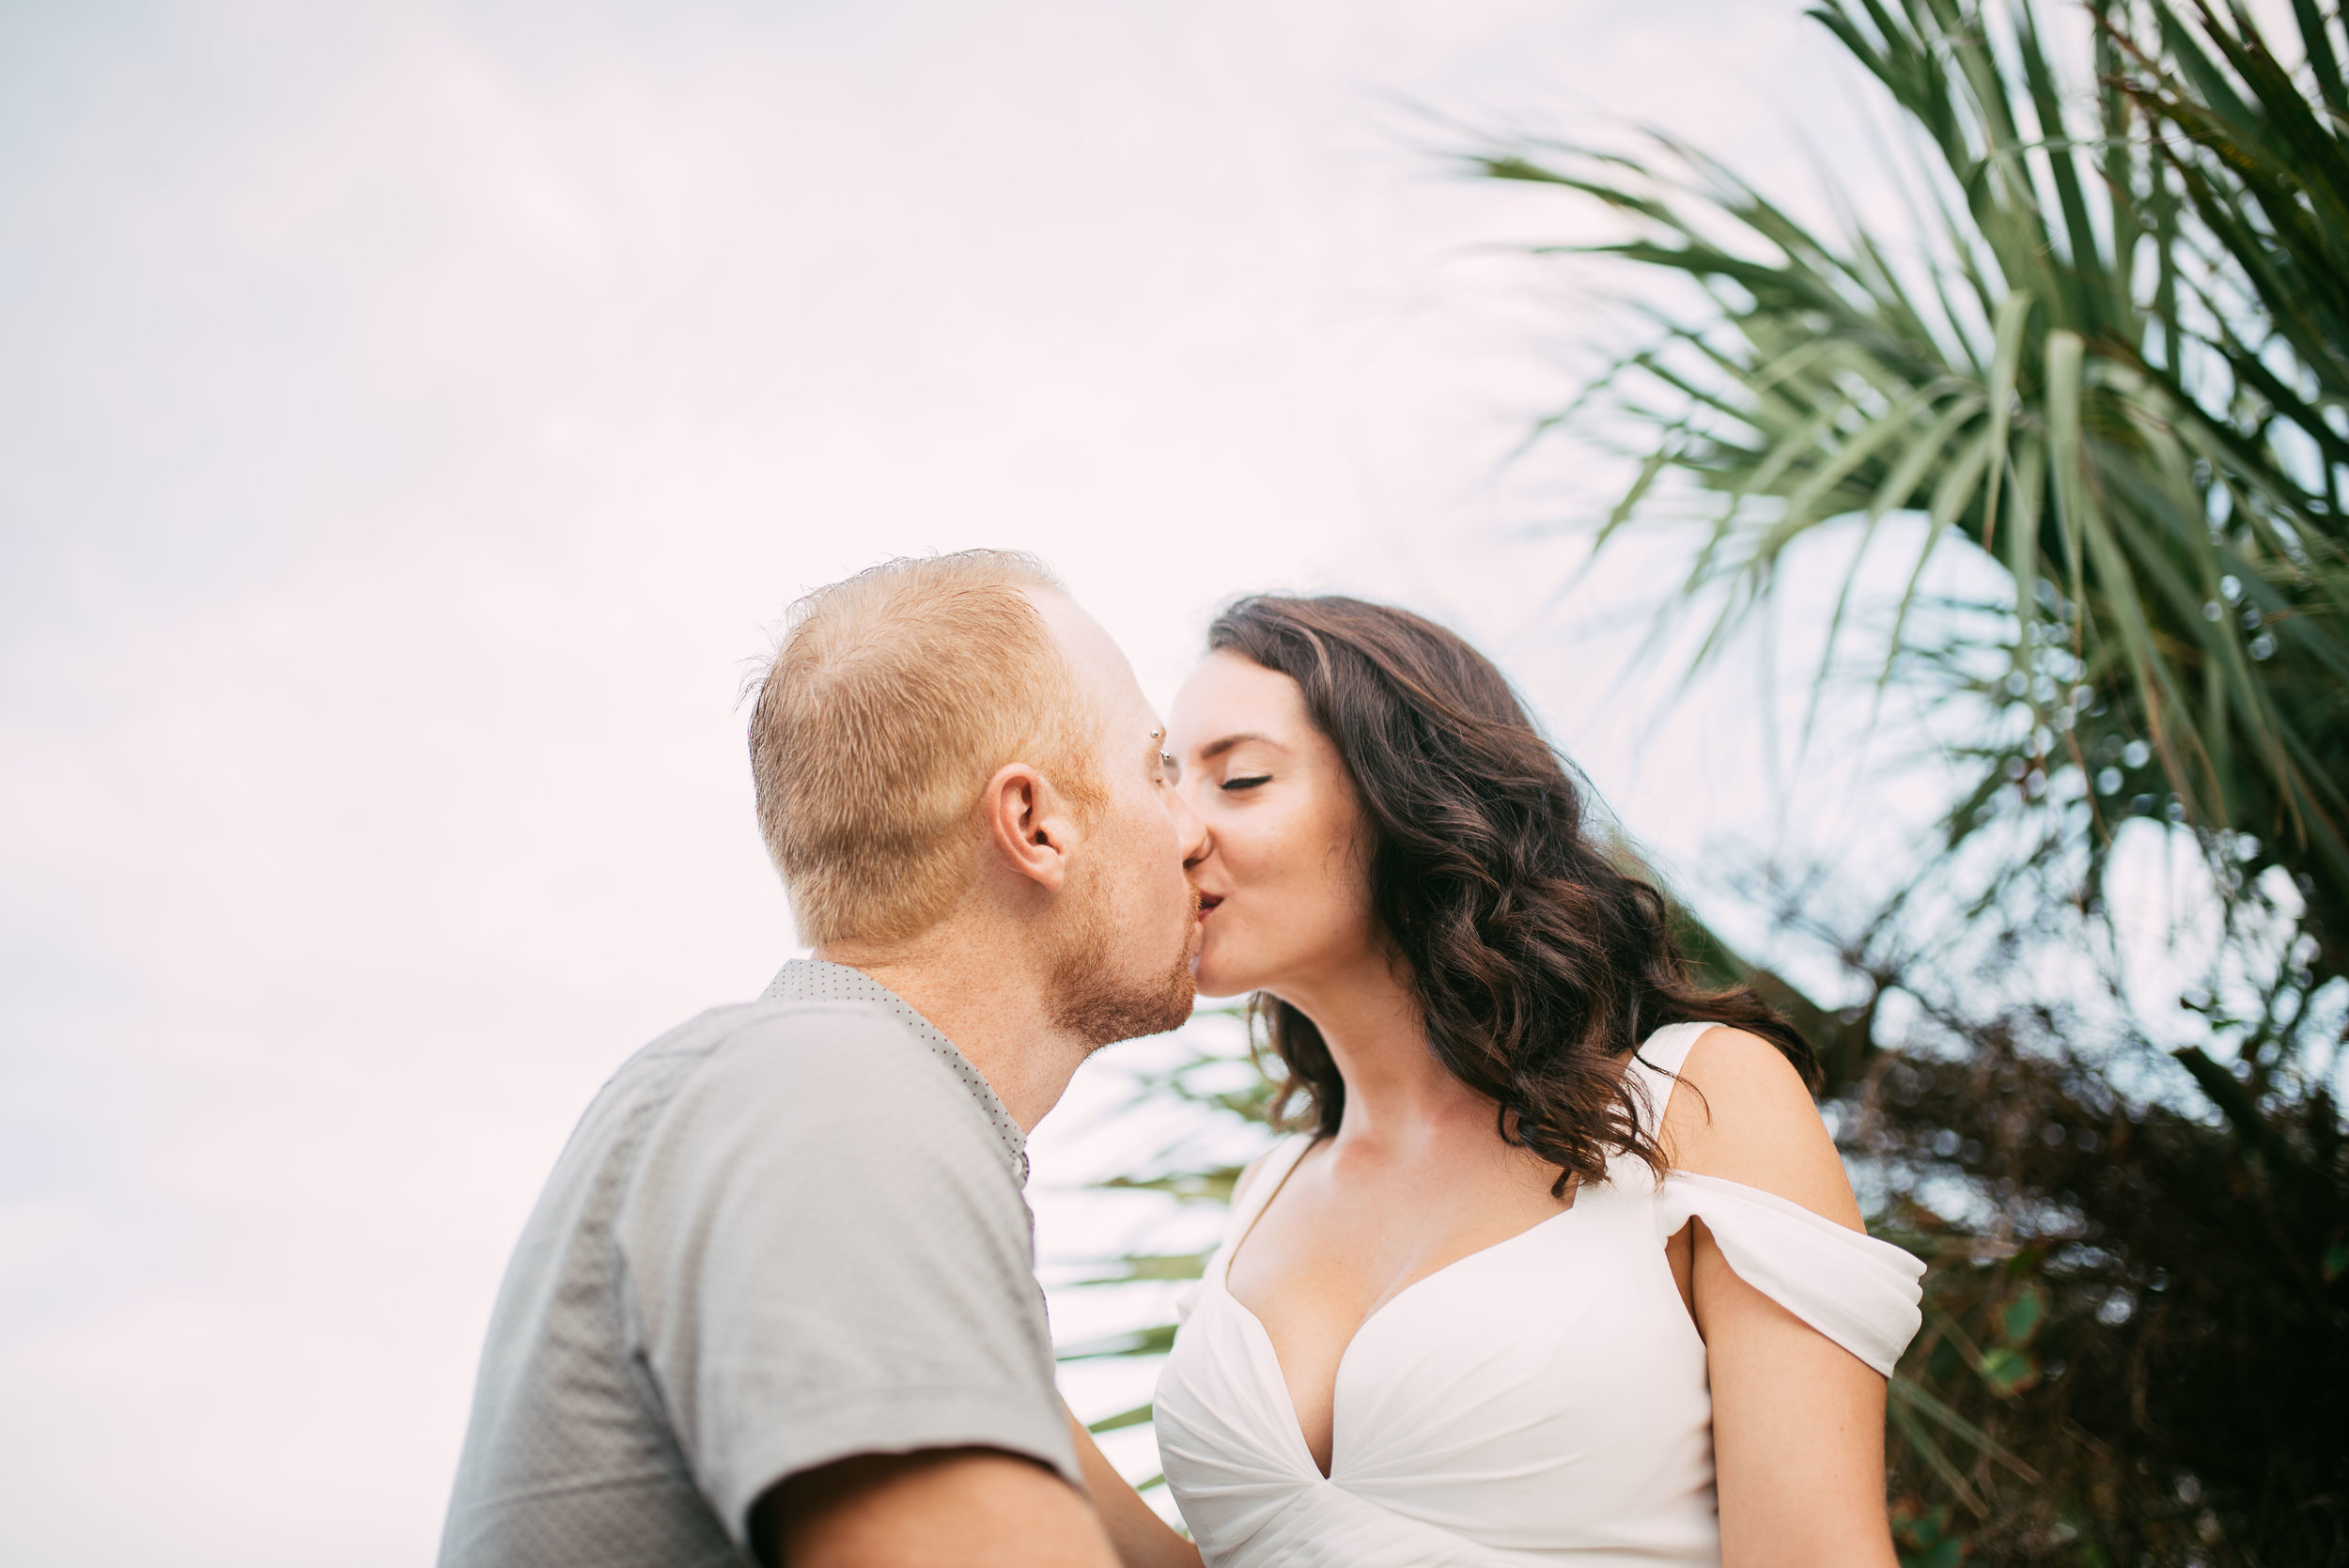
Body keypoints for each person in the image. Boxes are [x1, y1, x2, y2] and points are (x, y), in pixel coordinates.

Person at [436, 551, 1209, 1568]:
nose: (1195, 828)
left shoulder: (807, 1101)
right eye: (1156, 767)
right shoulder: (834, 1101)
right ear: (1034, 824)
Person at [1123, 595, 1926, 1567]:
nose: (1175, 834)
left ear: (1403, 794)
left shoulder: (1699, 1101)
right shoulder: (1269, 1194)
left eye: (1240, 779)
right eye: (1167, 786)